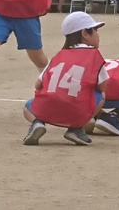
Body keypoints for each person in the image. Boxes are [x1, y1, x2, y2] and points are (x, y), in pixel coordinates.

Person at [22, 12, 108, 146]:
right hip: (76, 111)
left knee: (28, 106)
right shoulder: (94, 56)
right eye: (95, 30)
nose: (98, 35)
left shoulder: (59, 56)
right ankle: (76, 128)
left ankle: (38, 123)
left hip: (46, 109)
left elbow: (38, 84)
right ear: (85, 34)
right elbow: (103, 86)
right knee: (101, 95)